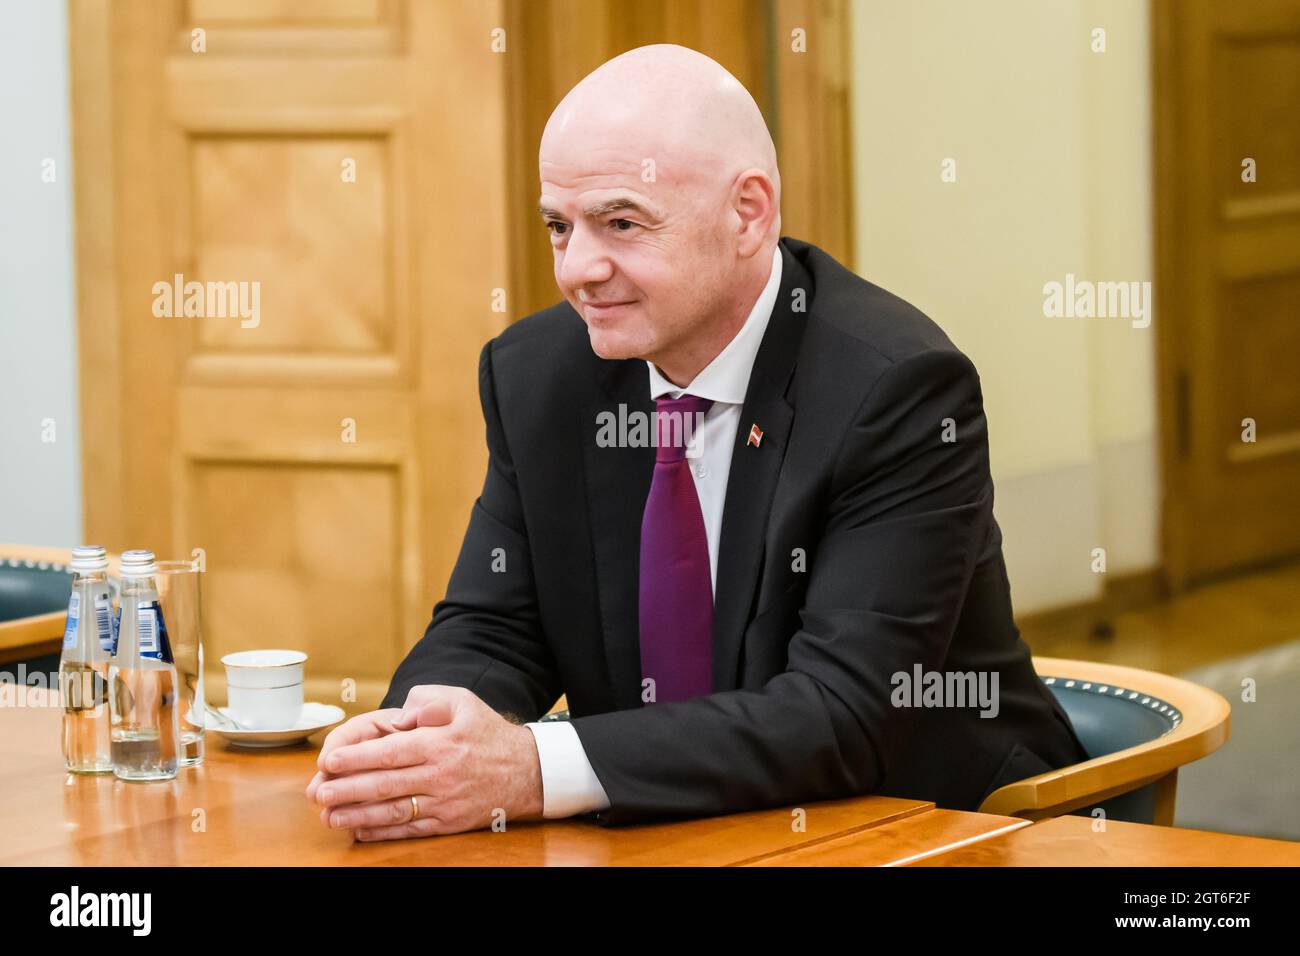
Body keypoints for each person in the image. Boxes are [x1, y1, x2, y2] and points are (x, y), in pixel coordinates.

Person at [306, 43, 1088, 841]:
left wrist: (530, 769)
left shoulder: (894, 389)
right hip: (662, 828)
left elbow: (841, 714)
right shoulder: (541, 375)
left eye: (620, 223)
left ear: (748, 212)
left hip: (922, 825)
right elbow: (493, 625)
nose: (577, 268)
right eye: (557, 226)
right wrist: (415, 738)